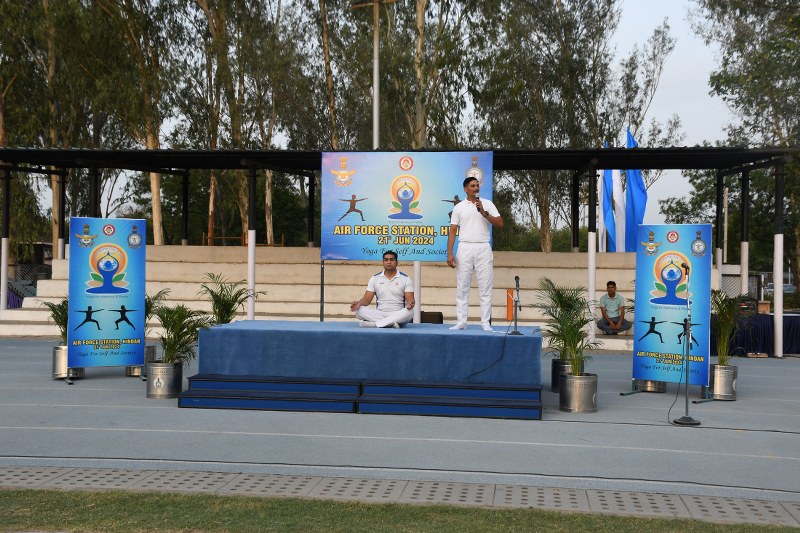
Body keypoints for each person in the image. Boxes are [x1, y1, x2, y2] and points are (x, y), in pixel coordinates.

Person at [446, 177, 504, 331]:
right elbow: (452, 230)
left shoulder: (487, 204)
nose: (475, 188)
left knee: (485, 286)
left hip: (483, 247)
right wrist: (449, 253)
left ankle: (485, 322)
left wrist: (484, 213)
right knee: (462, 286)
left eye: (477, 185)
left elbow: (500, 223)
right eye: (472, 186)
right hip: (464, 247)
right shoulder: (459, 208)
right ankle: (461, 321)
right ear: (465, 189)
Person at [350, 250, 415, 328]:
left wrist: (410, 303)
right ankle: (391, 324)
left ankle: (376, 324)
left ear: (397, 262)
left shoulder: (405, 279)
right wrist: (359, 303)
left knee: (410, 312)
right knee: (359, 311)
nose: (389, 262)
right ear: (383, 262)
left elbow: (410, 300)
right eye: (386, 260)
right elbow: (366, 300)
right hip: (380, 313)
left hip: (398, 313)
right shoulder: (375, 278)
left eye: (392, 260)